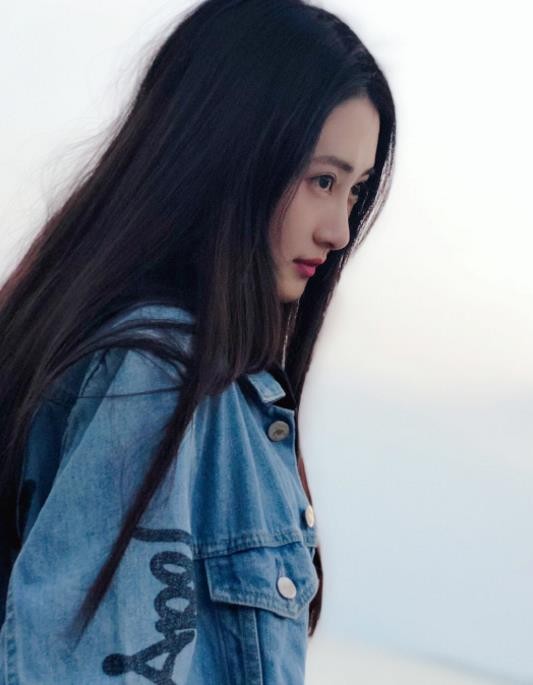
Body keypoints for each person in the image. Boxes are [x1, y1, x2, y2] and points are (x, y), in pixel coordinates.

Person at [0, 0, 396, 682]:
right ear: (227, 156)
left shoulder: (210, 385)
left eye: (354, 192)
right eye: (322, 180)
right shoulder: (156, 377)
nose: (338, 230)